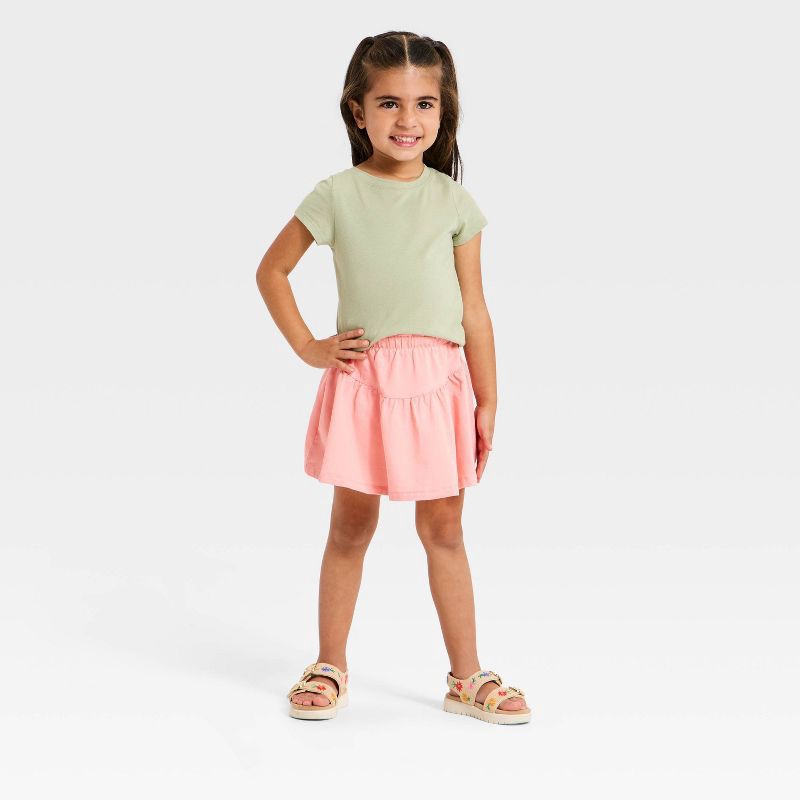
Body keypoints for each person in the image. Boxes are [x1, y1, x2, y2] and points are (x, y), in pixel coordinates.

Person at [256, 31, 531, 725]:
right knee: (351, 526)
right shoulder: (337, 194)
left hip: (439, 386)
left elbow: (474, 309)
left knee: (445, 530)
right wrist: (309, 346)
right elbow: (272, 270)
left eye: (424, 104)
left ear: (444, 111)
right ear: (358, 111)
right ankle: (329, 663)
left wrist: (489, 397)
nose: (407, 119)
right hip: (365, 382)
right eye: (389, 103)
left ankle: (466, 676)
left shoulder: (454, 203)